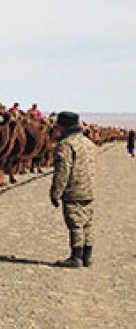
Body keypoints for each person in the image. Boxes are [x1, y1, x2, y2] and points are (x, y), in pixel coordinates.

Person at [49, 111, 96, 268]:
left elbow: (63, 171)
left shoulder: (66, 145)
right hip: (89, 189)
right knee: (87, 223)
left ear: (63, 127)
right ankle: (87, 256)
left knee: (75, 223)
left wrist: (56, 192)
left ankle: (76, 257)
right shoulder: (89, 143)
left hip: (73, 190)